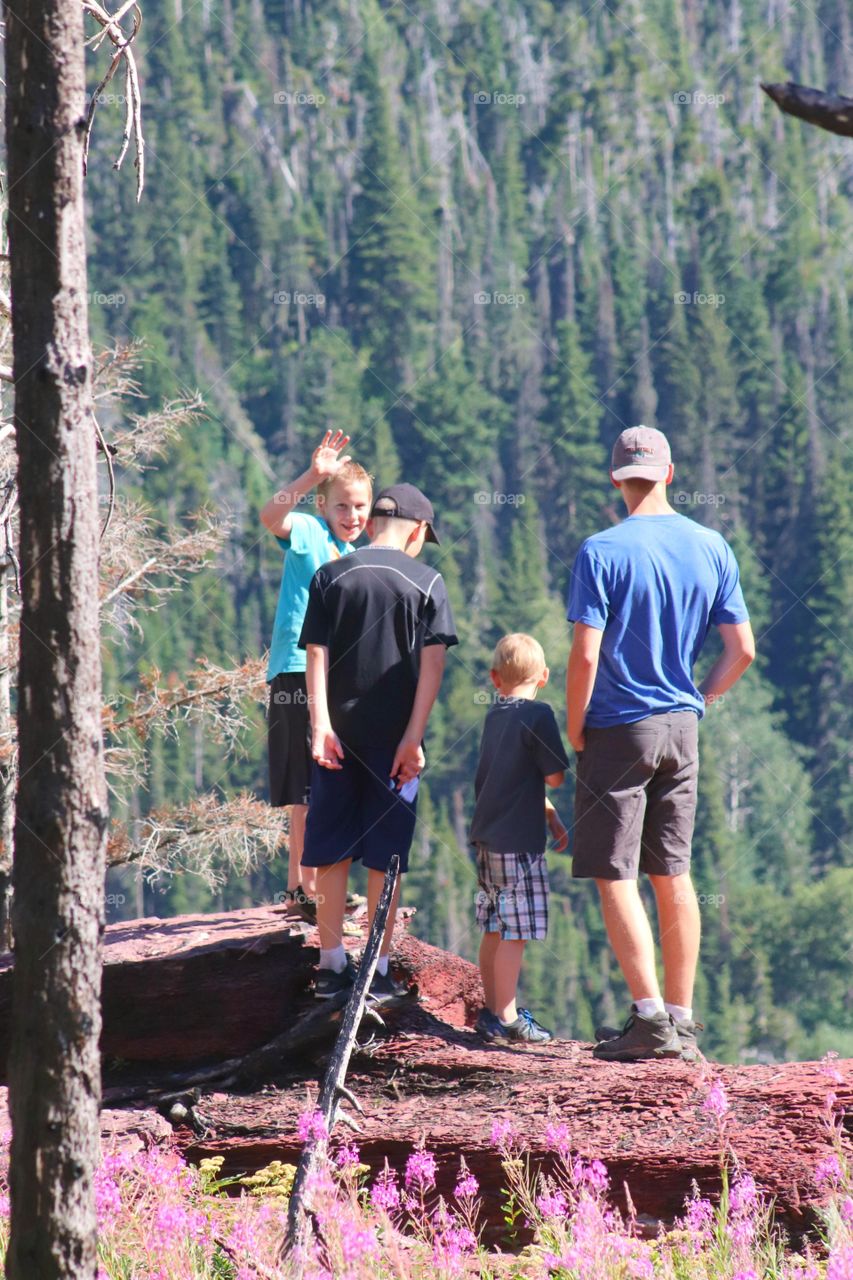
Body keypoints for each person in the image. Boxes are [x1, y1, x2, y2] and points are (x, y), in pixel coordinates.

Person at [566, 426, 755, 1062]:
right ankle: (683, 1017)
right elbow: (742, 651)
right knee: (673, 872)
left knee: (613, 872)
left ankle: (647, 1021)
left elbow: (585, 654)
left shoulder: (601, 550)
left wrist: (575, 725)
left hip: (619, 724)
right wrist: (701, 697)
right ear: (669, 474)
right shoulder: (711, 545)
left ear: (616, 479)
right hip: (683, 724)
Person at [299, 483, 458, 999]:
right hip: (395, 744)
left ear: (371, 525)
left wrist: (320, 725)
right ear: (416, 531)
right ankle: (379, 969)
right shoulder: (427, 582)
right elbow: (432, 667)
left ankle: (329, 966)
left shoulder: (330, 576)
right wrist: (413, 738)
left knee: (330, 852)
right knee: (385, 857)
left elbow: (316, 654)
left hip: (336, 737)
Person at [259, 431, 372, 921]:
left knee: (320, 783)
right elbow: (269, 517)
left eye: (361, 507)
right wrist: (312, 476)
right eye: (343, 506)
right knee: (305, 786)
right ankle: (307, 887)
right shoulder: (306, 531)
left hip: (332, 679)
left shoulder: (356, 556)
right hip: (295, 671)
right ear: (324, 505)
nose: (353, 516)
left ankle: (302, 884)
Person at [469, 633, 570, 1044]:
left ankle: (491, 1011)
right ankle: (509, 1017)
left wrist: (548, 813)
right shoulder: (539, 714)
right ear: (543, 676)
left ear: (495, 678)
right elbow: (555, 776)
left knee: (495, 924)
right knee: (517, 930)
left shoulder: (495, 715)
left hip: (489, 839)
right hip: (519, 846)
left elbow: (509, 780)